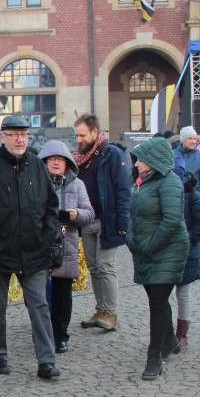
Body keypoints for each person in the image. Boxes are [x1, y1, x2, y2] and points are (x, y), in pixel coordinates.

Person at [0, 115, 62, 379]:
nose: (20, 138)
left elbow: (51, 207)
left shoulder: (37, 166)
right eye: (14, 134)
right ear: (3, 136)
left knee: (39, 307)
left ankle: (47, 360)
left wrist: (45, 238)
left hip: (34, 252)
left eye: (24, 134)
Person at [126, 137, 189, 381]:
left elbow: (172, 220)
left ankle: (154, 358)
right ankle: (170, 340)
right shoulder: (143, 182)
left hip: (167, 249)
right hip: (147, 249)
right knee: (156, 298)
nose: (137, 163)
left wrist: (150, 245)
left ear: (153, 161)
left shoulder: (170, 182)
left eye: (141, 159)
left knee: (158, 301)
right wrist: (133, 238)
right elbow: (135, 214)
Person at [73, 114, 131, 332]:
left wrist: (123, 221)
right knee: (93, 267)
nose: (78, 139)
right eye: (76, 135)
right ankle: (100, 309)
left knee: (105, 266)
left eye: (82, 135)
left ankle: (111, 313)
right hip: (87, 220)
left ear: (95, 132)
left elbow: (123, 189)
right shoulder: (80, 158)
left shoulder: (111, 154)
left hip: (107, 219)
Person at [39, 140, 94, 355]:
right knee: (38, 293)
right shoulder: (35, 182)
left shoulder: (77, 185)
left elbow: (89, 213)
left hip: (65, 244)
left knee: (62, 295)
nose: (55, 162)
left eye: (60, 159)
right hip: (40, 244)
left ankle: (60, 335)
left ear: (67, 162)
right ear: (44, 162)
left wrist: (74, 214)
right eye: (51, 159)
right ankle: (43, 331)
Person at [174, 169, 200, 353]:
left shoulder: (193, 196)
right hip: (166, 253)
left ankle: (181, 335)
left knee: (183, 294)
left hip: (187, 253)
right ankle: (164, 334)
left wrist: (184, 240)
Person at [174, 125, 200, 193]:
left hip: (194, 198)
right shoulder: (172, 155)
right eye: (190, 138)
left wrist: (197, 193)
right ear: (183, 140)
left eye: (195, 139)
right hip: (176, 197)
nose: (193, 141)